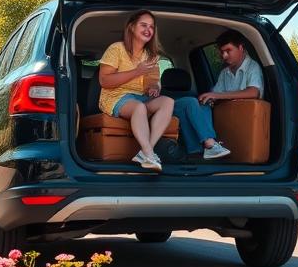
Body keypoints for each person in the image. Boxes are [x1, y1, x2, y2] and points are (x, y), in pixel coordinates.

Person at [98, 10, 175, 171]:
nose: (148, 30)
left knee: (168, 102)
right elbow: (104, 81)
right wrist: (136, 71)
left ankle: (146, 152)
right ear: (132, 27)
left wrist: (153, 88)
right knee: (138, 107)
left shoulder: (150, 55)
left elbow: (152, 83)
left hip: (139, 97)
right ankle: (148, 153)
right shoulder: (116, 49)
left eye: (151, 27)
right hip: (115, 96)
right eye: (143, 25)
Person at [171, 29, 264, 160]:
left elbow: (254, 92)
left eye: (228, 51)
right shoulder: (225, 72)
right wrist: (211, 98)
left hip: (244, 123)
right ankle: (198, 153)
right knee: (201, 104)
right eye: (222, 52)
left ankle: (208, 147)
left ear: (241, 48)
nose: (224, 56)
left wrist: (217, 96)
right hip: (228, 121)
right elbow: (214, 95)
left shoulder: (252, 67)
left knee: (194, 103)